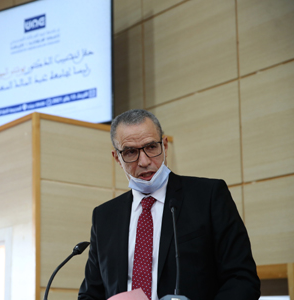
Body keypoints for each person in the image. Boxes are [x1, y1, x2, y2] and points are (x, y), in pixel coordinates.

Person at [78, 109, 260, 300]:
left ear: (164, 146)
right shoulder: (104, 216)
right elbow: (90, 294)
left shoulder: (208, 196)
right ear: (117, 158)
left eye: (151, 147)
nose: (144, 161)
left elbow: (242, 279)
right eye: (130, 152)